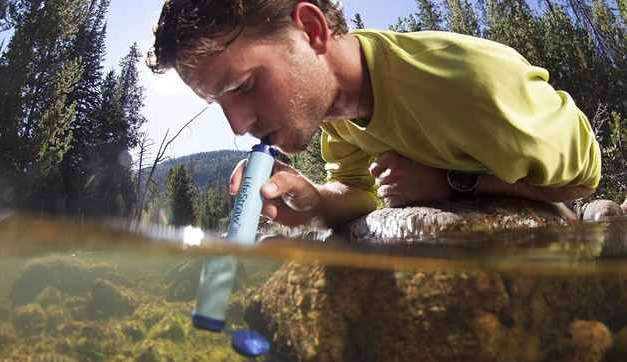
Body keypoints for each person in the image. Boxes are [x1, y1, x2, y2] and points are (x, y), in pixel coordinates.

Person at [147, 0, 601, 229]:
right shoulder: (333, 110)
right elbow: (359, 191)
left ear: (311, 31)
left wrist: (452, 184)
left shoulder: (469, 86)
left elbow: (584, 180)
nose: (238, 126)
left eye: (243, 86)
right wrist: (316, 200)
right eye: (219, 103)